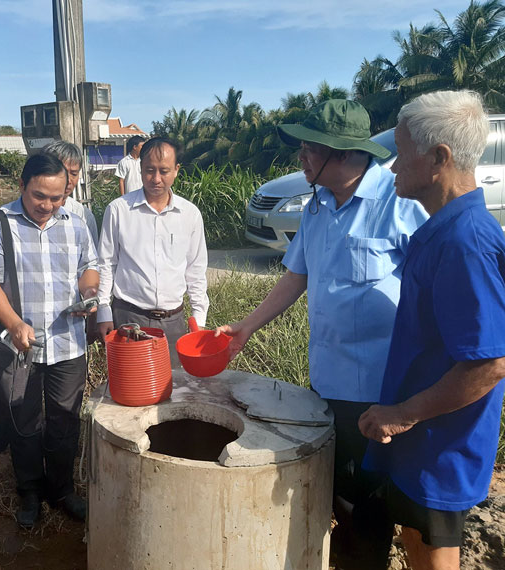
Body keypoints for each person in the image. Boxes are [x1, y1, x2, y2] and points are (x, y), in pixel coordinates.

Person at [214, 100, 427, 570]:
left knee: (368, 499)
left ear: (345, 155)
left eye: (310, 149)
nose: (302, 158)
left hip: (379, 387)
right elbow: (296, 277)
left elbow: (433, 288)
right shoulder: (317, 207)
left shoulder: (399, 203)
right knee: (339, 490)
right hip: (326, 379)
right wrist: (246, 327)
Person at [359, 90, 505, 570]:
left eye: (402, 153)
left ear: (439, 158)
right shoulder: (442, 228)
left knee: (436, 552)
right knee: (417, 542)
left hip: (443, 443)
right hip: (423, 437)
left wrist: (403, 412)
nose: (394, 167)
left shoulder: (466, 244)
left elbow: (489, 363)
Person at [0, 153, 99, 528]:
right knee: (24, 421)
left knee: (64, 420)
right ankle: (29, 490)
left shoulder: (75, 222)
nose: (47, 205)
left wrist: (88, 295)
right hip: (21, 346)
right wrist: (12, 321)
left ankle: (62, 489)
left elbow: (89, 267)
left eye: (56, 197)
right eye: (39, 195)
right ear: (22, 186)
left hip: (68, 344)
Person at [97, 136, 208, 368]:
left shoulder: (190, 214)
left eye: (164, 171)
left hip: (174, 322)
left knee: (174, 389)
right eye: (149, 170)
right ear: (140, 168)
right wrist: (104, 311)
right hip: (129, 319)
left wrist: (198, 318)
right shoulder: (118, 210)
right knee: (131, 389)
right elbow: (107, 264)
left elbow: (196, 270)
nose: (156, 179)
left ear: (177, 170)